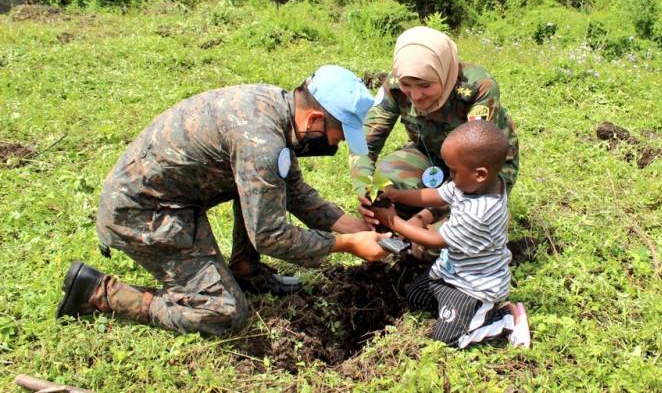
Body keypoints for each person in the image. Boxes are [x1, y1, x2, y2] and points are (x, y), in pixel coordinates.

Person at [56, 65, 391, 335]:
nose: (336, 146)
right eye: (339, 136)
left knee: (266, 190)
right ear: (315, 120)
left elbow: (295, 192)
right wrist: (347, 244)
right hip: (143, 213)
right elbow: (269, 236)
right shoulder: (261, 143)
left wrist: (358, 228)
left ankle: (246, 269)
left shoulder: (276, 109)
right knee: (224, 312)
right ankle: (98, 291)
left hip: (170, 198)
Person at [370, 121, 530, 349]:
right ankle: (456, 313)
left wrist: (392, 221)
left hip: (473, 288)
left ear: (480, 174)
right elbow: (436, 196)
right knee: (415, 296)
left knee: (446, 340)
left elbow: (435, 241)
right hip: (450, 272)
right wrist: (396, 195)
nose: (450, 176)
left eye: (453, 171)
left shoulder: (480, 212)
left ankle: (504, 318)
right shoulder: (472, 184)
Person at [352, 26, 519, 228]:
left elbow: (476, 166)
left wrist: (425, 217)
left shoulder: (477, 88)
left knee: (456, 230)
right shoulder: (394, 84)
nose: (415, 96)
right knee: (388, 179)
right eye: (407, 85)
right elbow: (364, 143)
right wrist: (366, 192)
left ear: (443, 73)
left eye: (425, 85)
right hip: (430, 152)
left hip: (481, 167)